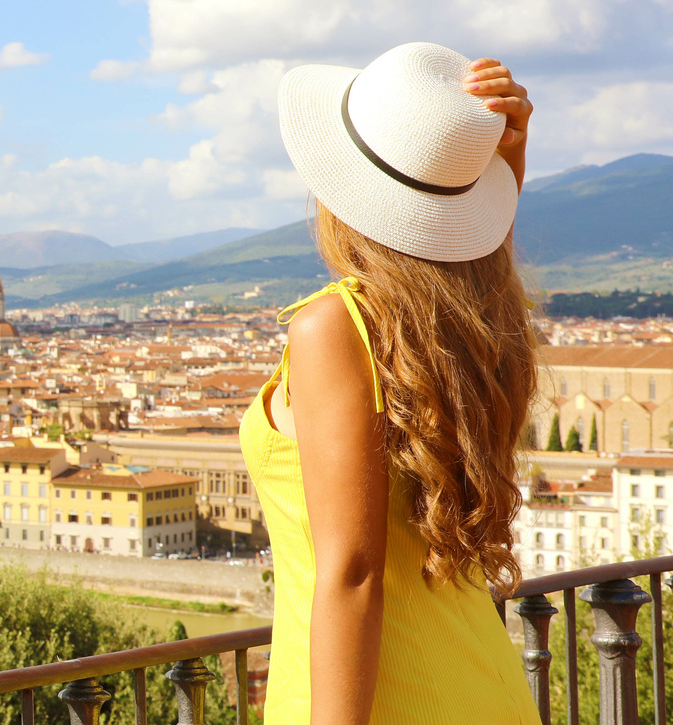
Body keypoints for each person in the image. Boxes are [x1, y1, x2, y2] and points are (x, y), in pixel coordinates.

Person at [247, 42, 539, 724]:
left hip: (382, 699)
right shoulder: (472, 326)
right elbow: (467, 262)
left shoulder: (335, 328)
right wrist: (499, 168)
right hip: (484, 685)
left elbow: (352, 575)